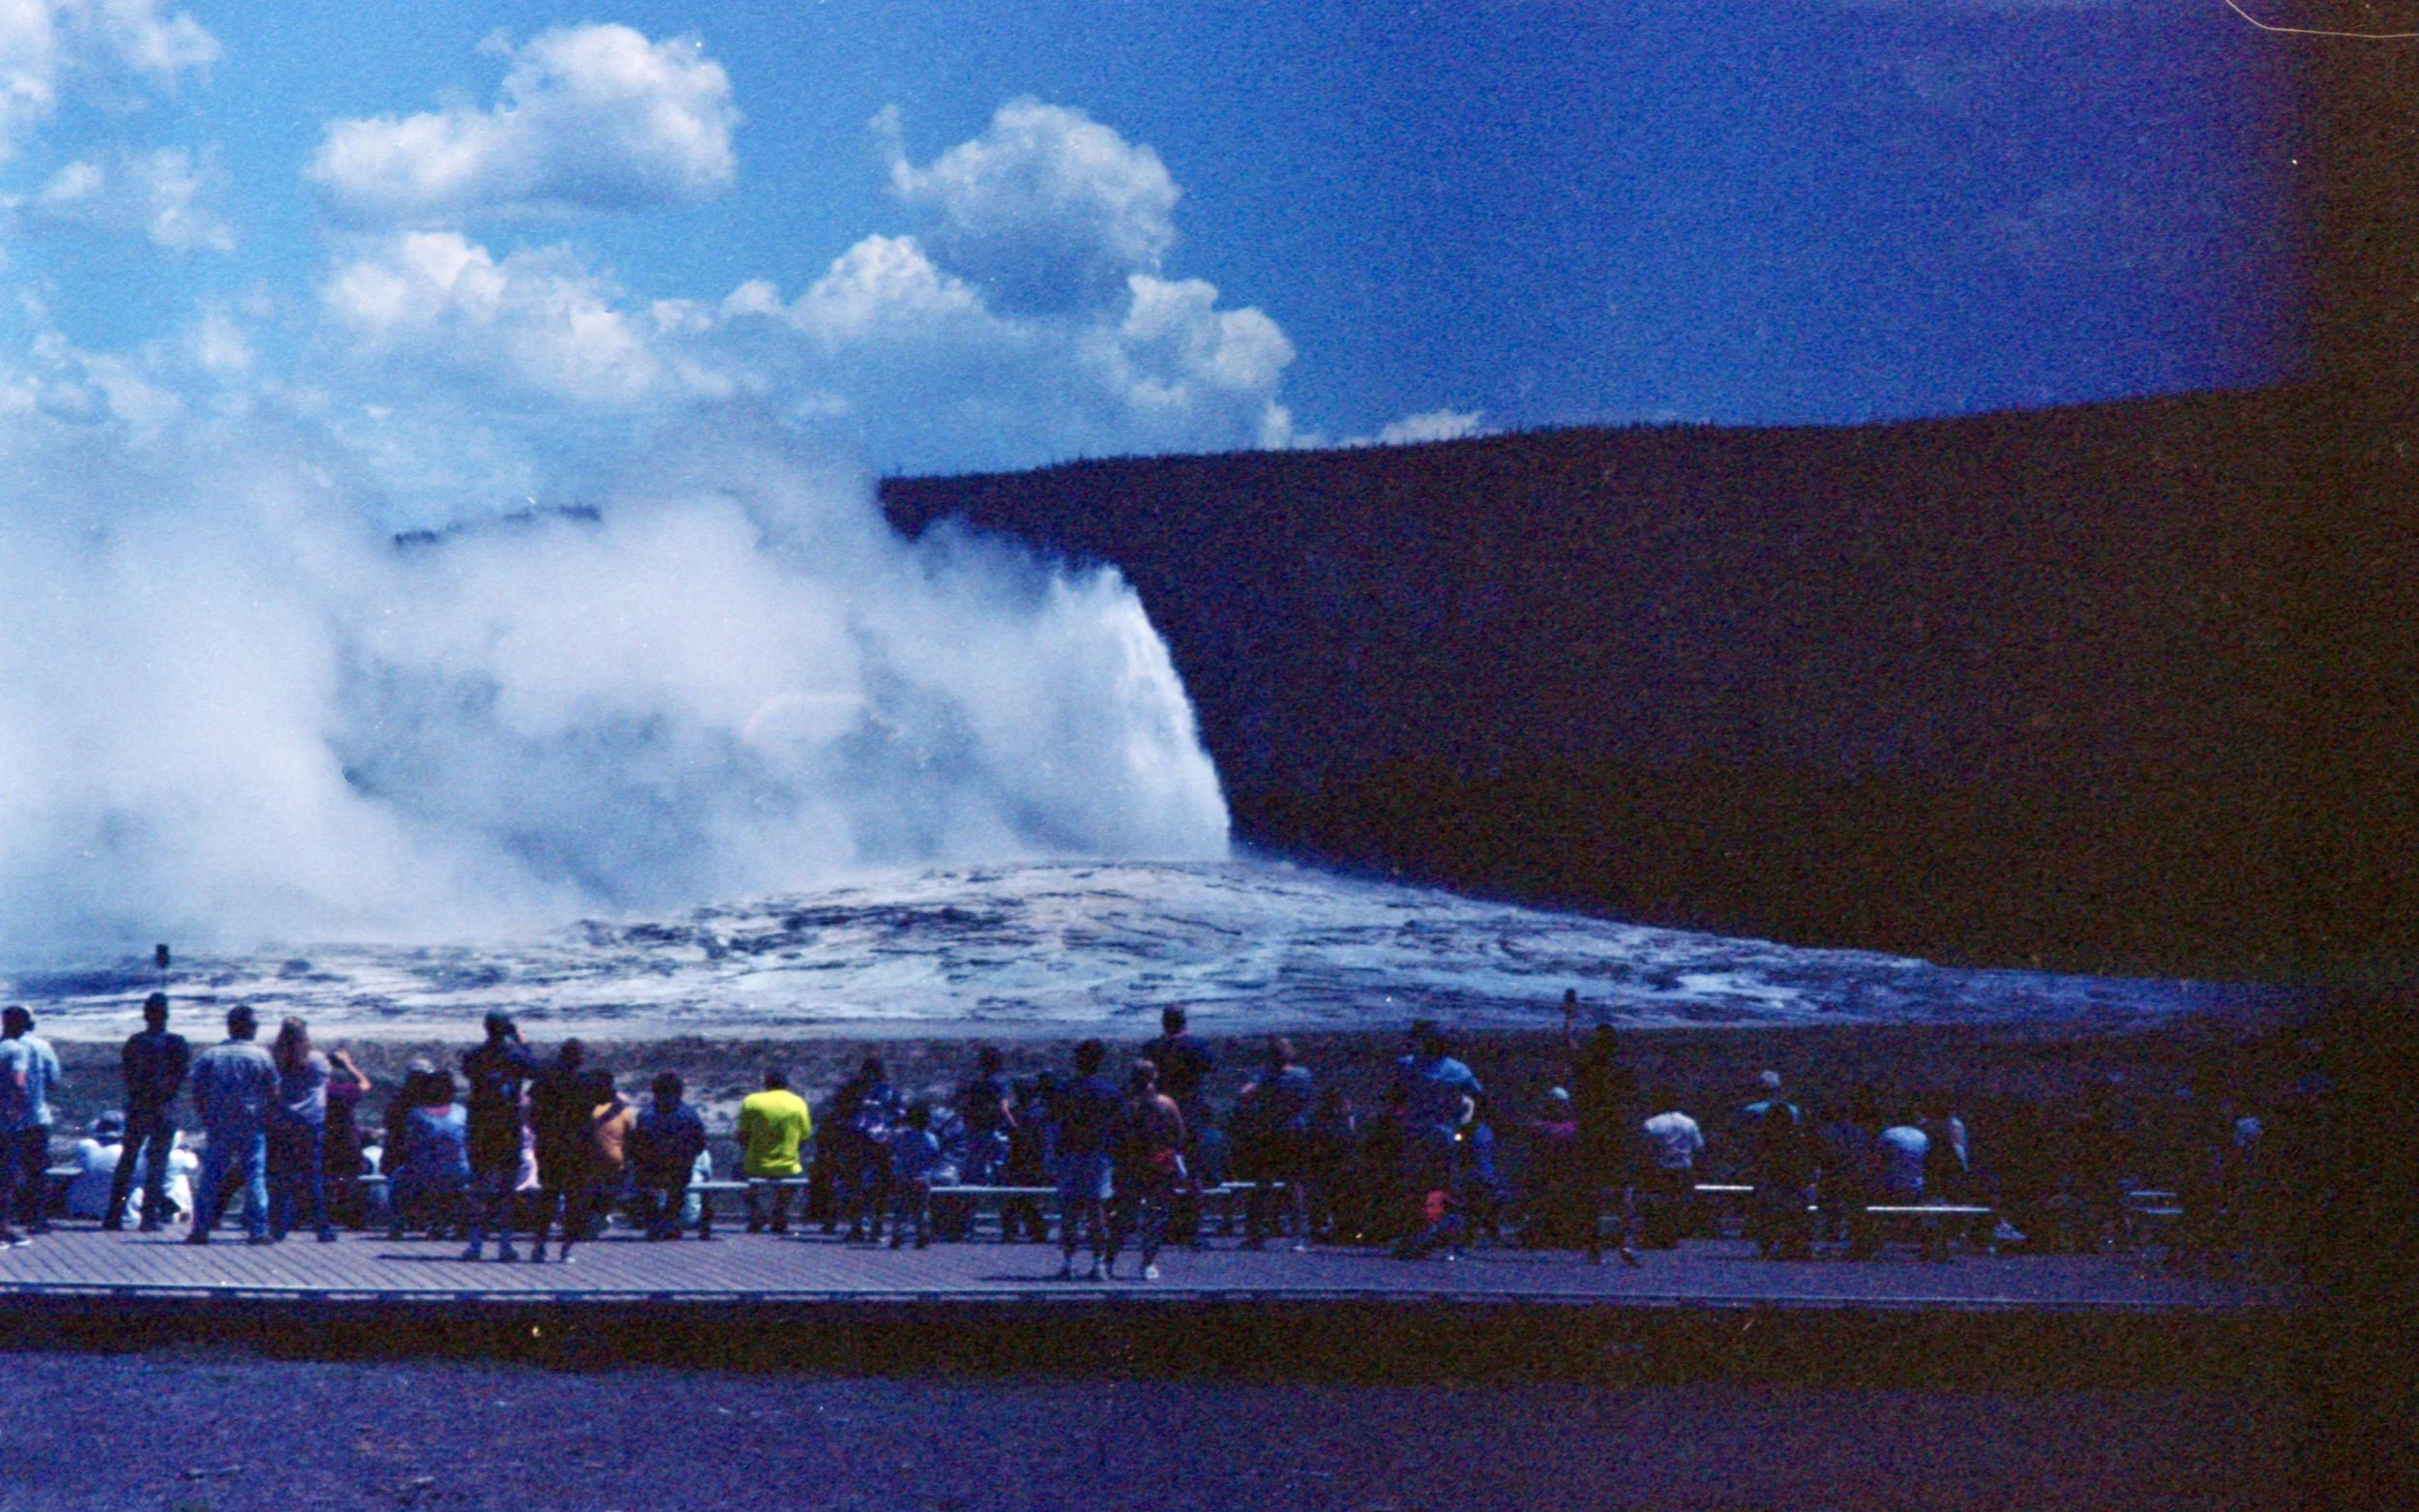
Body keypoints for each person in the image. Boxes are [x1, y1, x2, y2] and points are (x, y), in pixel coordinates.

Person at [186, 1005, 279, 1245]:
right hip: (252, 1123)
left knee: (211, 1177)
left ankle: (200, 1229)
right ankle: (258, 1230)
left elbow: (196, 1089)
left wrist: (205, 1115)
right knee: (254, 1177)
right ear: (249, 1029)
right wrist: (267, 1116)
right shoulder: (261, 1056)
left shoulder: (212, 1055)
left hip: (220, 1123)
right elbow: (274, 1091)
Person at [1392, 1023, 1480, 1259]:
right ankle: (1454, 1244)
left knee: (1414, 1188)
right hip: (1444, 1135)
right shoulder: (1458, 1070)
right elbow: (1478, 1096)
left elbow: (1394, 1096)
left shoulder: (1407, 1065)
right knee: (1450, 1188)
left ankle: (1413, 1238)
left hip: (1415, 1134)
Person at [105, 993, 188, 1232]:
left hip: (139, 1105)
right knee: (157, 1163)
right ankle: (148, 1217)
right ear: (166, 1016)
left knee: (127, 1161)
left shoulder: (134, 1042)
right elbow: (180, 1074)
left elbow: (128, 1073)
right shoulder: (175, 1042)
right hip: (163, 1107)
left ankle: (114, 1214)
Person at [460, 1013, 538, 1261]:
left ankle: (475, 1245)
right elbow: (535, 1069)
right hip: (507, 1126)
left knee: (479, 1186)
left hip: (480, 1125)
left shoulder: (473, 1056)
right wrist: (522, 1042)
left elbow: (468, 1072)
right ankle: (505, 1245)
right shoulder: (516, 1055)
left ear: (485, 1028)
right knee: (506, 1188)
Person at [1141, 1008, 1218, 1241]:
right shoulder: (1196, 1045)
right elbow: (1211, 1067)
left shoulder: (1152, 1047)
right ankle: (1193, 1229)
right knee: (1192, 1174)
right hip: (1190, 1115)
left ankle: (1162, 1226)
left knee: (1160, 1172)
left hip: (1160, 1114)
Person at [1234, 1038, 1314, 1250]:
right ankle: (1298, 1238)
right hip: (1296, 1130)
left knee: (1263, 1185)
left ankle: (1257, 1235)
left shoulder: (1266, 1076)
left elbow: (1243, 1095)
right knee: (1295, 1184)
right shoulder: (1303, 1075)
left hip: (1270, 1132)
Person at [1053, 1040, 1123, 1280]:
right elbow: (1119, 1125)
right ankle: (1098, 1264)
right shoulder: (1110, 1091)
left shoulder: (1066, 1089)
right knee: (1097, 1212)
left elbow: (1056, 1121)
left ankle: (1069, 1263)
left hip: (1071, 1153)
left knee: (1070, 1212)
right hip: (1099, 1154)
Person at [1111, 1059, 1187, 1280]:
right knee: (1156, 1215)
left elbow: (1117, 1134)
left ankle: (1109, 1261)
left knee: (1125, 1214)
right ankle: (1148, 1263)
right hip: (1159, 1164)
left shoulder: (1126, 1104)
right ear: (1154, 1077)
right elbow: (1180, 1134)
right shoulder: (1166, 1103)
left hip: (1132, 1165)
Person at [527, 1041, 599, 1262]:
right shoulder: (586, 1081)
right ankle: (566, 1249)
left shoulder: (547, 1077)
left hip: (551, 1143)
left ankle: (539, 1246)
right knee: (574, 1198)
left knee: (548, 1195)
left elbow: (532, 1104)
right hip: (577, 1144)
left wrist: (537, 1130)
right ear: (579, 1058)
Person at [265, 1017, 335, 1243]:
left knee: (282, 1178)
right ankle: (321, 1228)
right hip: (311, 1121)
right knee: (312, 1176)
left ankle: (278, 1229)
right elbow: (325, 1078)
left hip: (282, 1121)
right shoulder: (316, 1059)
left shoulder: (274, 1059)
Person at [0, 1006, 61, 1242]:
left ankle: (10, 1217)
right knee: (36, 1169)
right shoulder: (41, 1046)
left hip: (8, 1119)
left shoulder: (6, 1047)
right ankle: (35, 1217)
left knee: (10, 1170)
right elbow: (54, 1079)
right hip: (35, 1115)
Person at [1742, 1071, 1814, 1261]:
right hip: (1794, 1177)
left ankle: (1764, 1240)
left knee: (1766, 1205)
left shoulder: (1750, 1110)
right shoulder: (1793, 1110)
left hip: (1766, 1167)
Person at [629, 1072, 706, 1240]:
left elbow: (636, 1145)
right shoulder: (689, 1114)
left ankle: (654, 1222)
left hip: (651, 1169)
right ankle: (671, 1222)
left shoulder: (645, 1114)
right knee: (677, 1189)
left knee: (643, 1184)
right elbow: (700, 1143)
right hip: (680, 1169)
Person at [394, 1072, 470, 1239]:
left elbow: (410, 1145)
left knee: (398, 1176)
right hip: (461, 1170)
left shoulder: (417, 1114)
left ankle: (400, 1224)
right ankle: (460, 1225)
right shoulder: (461, 1112)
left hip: (429, 1171)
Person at [737, 1068, 813, 1234]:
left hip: (756, 1164)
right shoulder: (798, 1102)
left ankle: (756, 1213)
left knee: (737, 1175)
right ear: (786, 1084)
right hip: (787, 1165)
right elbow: (805, 1136)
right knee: (793, 1179)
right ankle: (780, 1212)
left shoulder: (751, 1101)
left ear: (765, 1083)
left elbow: (742, 1135)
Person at [1637, 1088, 1706, 1251]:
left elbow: (1644, 1149)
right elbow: (1699, 1146)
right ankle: (1672, 1235)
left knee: (1659, 1202)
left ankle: (1657, 1234)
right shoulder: (1689, 1122)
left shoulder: (1651, 1123)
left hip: (1660, 1168)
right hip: (1683, 1167)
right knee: (1678, 1203)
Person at [321, 1048, 372, 1230]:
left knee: (325, 1176)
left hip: (326, 1139)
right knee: (355, 1175)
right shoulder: (348, 1091)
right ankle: (355, 1217)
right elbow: (365, 1083)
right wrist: (349, 1065)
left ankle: (324, 1215)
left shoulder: (325, 1091)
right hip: (348, 1140)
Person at [887, 1103, 944, 1249]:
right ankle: (923, 1236)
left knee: (901, 1208)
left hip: (903, 1176)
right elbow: (935, 1155)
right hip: (922, 1176)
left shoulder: (901, 1136)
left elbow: (893, 1147)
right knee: (921, 1209)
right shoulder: (931, 1138)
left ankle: (897, 1236)